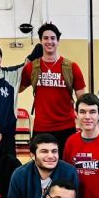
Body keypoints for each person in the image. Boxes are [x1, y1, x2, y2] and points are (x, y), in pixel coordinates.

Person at [20, 23, 86, 157]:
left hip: (66, 127)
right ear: (40, 41)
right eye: (45, 38)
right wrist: (25, 63)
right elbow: (17, 89)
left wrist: (84, 123)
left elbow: (82, 99)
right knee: (42, 165)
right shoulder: (32, 67)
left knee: (66, 165)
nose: (49, 41)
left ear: (58, 41)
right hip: (41, 127)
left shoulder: (71, 67)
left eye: (52, 38)